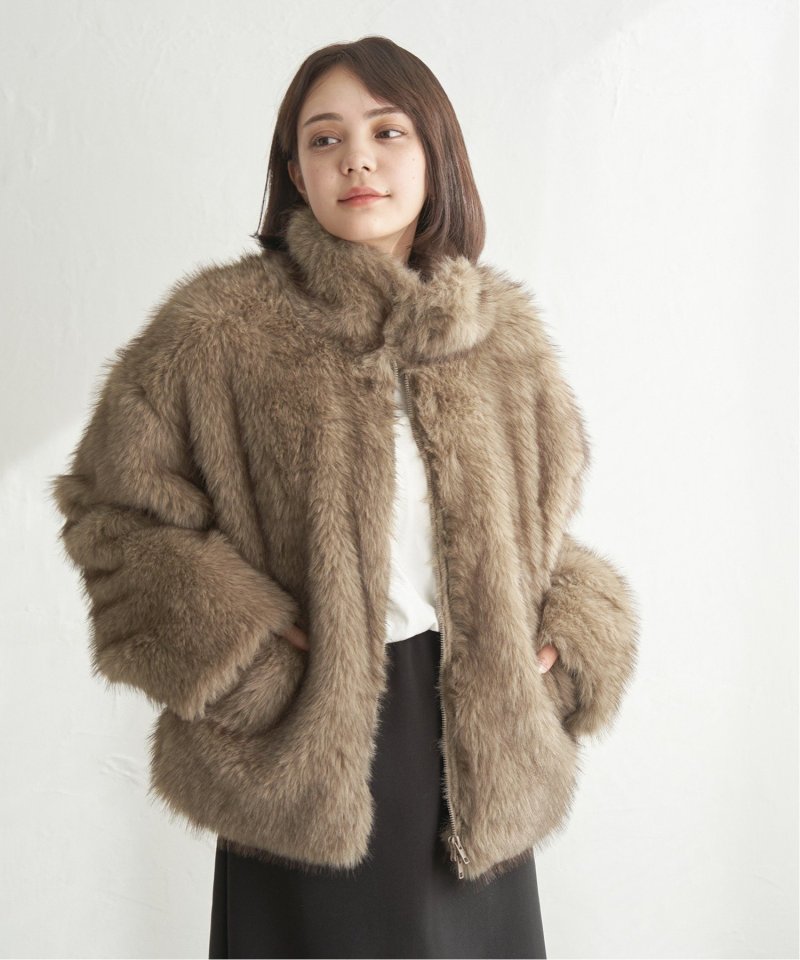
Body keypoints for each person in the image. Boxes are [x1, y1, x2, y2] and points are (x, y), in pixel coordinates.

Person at [49, 35, 640, 960]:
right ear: (296, 173)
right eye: (324, 140)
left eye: (387, 131)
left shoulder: (502, 341)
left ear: (435, 153)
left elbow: (547, 532)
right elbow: (109, 513)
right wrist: (246, 657)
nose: (357, 158)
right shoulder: (219, 330)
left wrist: (572, 636)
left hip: (481, 749)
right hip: (308, 752)